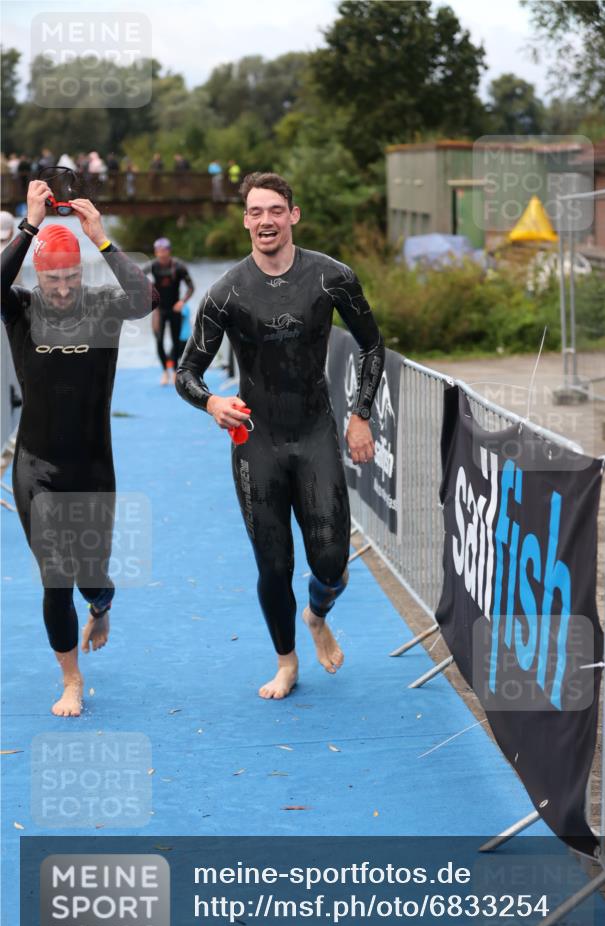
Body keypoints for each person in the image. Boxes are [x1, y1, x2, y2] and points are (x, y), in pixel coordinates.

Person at [176, 171, 384, 700]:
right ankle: (287, 663)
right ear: (245, 220)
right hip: (257, 443)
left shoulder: (331, 277)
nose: (265, 220)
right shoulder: (226, 293)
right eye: (254, 212)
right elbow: (186, 372)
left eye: (274, 210)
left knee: (332, 564)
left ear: (293, 215)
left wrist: (361, 415)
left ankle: (317, 615)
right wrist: (212, 402)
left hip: (314, 432)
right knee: (274, 565)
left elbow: (372, 346)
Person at [0, 179, 157, 717]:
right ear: (37, 276)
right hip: (36, 468)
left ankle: (103, 601)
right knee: (55, 577)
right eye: (52, 278)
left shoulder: (102, 308)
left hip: (92, 467)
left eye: (69, 277)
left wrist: (102, 239)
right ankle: (71, 680)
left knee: (90, 575)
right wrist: (31, 223)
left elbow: (147, 299)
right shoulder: (20, 310)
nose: (62, 288)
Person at [143, 237, 194, 384]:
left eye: (164, 251)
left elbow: (191, 287)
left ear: (169, 251)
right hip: (159, 310)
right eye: (158, 251)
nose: (161, 254)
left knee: (176, 341)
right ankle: (165, 371)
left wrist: (182, 301)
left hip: (175, 309)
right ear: (155, 251)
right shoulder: (153, 266)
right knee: (158, 341)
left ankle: (175, 370)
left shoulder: (178, 267)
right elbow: (137, 278)